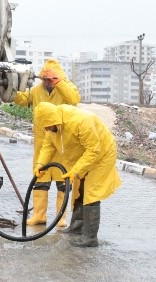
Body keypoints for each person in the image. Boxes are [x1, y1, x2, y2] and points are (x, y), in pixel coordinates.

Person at [33, 102, 122, 247]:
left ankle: (90, 239)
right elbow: (48, 146)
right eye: (45, 127)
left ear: (54, 120)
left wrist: (75, 171)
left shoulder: (80, 121)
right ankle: (76, 229)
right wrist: (40, 165)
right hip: (84, 156)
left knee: (91, 192)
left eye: (49, 126)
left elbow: (94, 150)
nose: (48, 130)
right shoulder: (52, 124)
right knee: (80, 190)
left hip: (102, 155)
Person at [13, 59, 80, 226]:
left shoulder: (66, 88)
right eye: (45, 79)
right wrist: (8, 88)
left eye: (51, 80)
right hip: (42, 143)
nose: (47, 83)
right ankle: (39, 215)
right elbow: (22, 99)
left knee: (63, 182)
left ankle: (61, 218)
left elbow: (74, 99)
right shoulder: (36, 91)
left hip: (61, 143)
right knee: (40, 179)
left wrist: (59, 83)